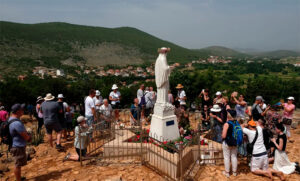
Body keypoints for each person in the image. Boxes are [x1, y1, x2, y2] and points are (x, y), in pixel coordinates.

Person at [9, 104, 31, 181]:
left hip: (14, 144)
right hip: (17, 146)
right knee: (17, 165)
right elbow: (25, 136)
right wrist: (29, 137)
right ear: (18, 111)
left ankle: (19, 178)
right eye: (22, 110)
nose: (23, 111)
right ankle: (18, 180)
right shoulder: (16, 123)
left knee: (18, 164)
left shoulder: (10, 119)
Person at [222, 110, 238, 177]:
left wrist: (221, 135)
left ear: (229, 115)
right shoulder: (237, 123)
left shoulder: (227, 124)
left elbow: (224, 136)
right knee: (234, 157)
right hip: (235, 142)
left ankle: (227, 172)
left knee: (226, 157)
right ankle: (234, 172)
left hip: (227, 143)